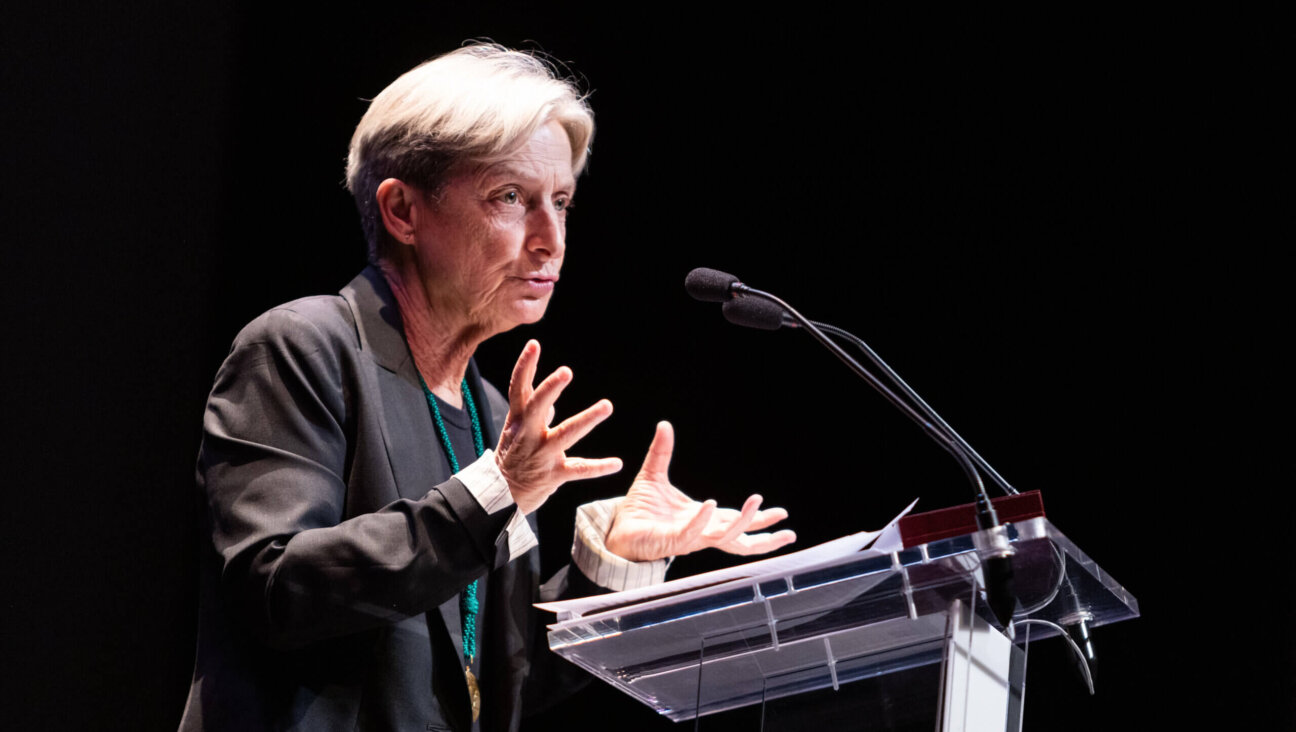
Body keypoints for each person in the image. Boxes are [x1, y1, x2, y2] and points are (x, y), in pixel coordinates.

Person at [178, 43, 795, 732]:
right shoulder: (305, 348)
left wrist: (610, 560)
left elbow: (495, 680)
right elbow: (277, 591)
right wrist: (496, 490)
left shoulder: (491, 411)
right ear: (403, 212)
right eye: (511, 198)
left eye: (560, 202)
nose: (550, 239)